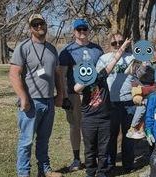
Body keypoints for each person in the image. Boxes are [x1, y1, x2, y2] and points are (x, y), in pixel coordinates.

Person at [9, 14, 63, 177]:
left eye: (42, 23)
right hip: (31, 102)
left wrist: (60, 94)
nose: (39, 26)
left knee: (44, 139)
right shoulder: (23, 47)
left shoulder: (52, 49)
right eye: (35, 24)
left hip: (49, 101)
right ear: (30, 28)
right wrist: (23, 97)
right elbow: (13, 74)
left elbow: (58, 74)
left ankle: (44, 170)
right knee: (26, 141)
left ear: (46, 25)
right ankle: (23, 173)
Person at [74, 38, 131, 177]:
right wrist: (86, 79)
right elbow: (76, 89)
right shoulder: (82, 83)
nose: (89, 71)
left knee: (103, 148)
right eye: (86, 70)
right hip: (89, 120)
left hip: (105, 118)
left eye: (91, 69)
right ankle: (90, 171)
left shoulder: (101, 76)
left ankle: (102, 172)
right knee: (90, 148)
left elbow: (114, 60)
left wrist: (123, 46)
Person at [58, 18, 104, 172]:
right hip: (74, 95)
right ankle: (77, 159)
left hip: (94, 94)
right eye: (79, 30)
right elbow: (63, 76)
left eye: (85, 29)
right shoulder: (67, 51)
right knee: (75, 126)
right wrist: (64, 97)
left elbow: (103, 71)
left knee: (94, 127)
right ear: (74, 32)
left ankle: (94, 157)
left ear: (88, 31)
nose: (82, 32)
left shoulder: (97, 50)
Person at [95, 32, 135, 172]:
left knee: (129, 134)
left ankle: (128, 165)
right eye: (114, 43)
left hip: (129, 101)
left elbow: (141, 76)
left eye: (120, 42)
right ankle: (110, 164)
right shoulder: (103, 59)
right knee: (111, 135)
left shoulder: (132, 58)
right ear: (109, 44)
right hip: (110, 102)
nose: (118, 45)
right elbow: (97, 79)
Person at [126, 36, 156, 139]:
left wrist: (143, 90)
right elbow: (136, 78)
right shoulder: (147, 64)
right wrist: (144, 67)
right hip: (147, 101)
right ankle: (134, 128)